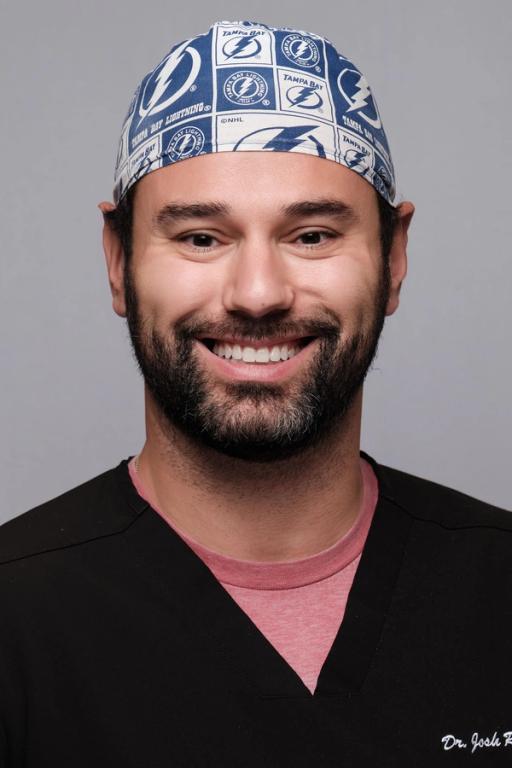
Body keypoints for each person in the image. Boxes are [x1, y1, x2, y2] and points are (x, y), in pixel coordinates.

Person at [0, 19, 510, 767]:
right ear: (118, 263)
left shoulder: (497, 589)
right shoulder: (17, 621)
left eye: (311, 235)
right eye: (202, 237)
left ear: (394, 258)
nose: (259, 295)